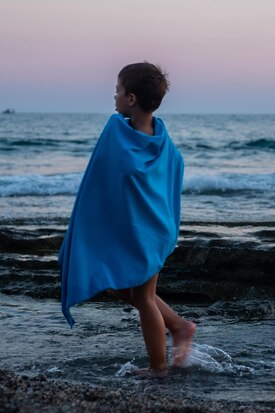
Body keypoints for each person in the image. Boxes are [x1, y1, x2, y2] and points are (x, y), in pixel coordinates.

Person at [58, 62, 196, 379]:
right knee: (120, 286)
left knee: (144, 298)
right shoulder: (165, 143)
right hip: (145, 230)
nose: (114, 96)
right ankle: (178, 325)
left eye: (118, 90)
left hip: (146, 233)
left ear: (131, 98)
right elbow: (108, 182)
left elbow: (102, 177)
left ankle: (158, 368)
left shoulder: (117, 134)